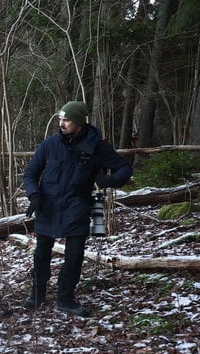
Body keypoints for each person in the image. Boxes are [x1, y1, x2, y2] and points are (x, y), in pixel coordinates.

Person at [23, 101, 132, 316]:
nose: (61, 124)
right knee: (42, 253)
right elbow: (30, 174)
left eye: (66, 120)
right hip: (47, 206)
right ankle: (37, 294)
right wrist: (34, 195)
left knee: (74, 256)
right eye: (60, 119)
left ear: (80, 122)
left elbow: (124, 167)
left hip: (77, 206)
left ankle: (65, 299)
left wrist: (108, 181)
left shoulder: (97, 146)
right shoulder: (50, 144)